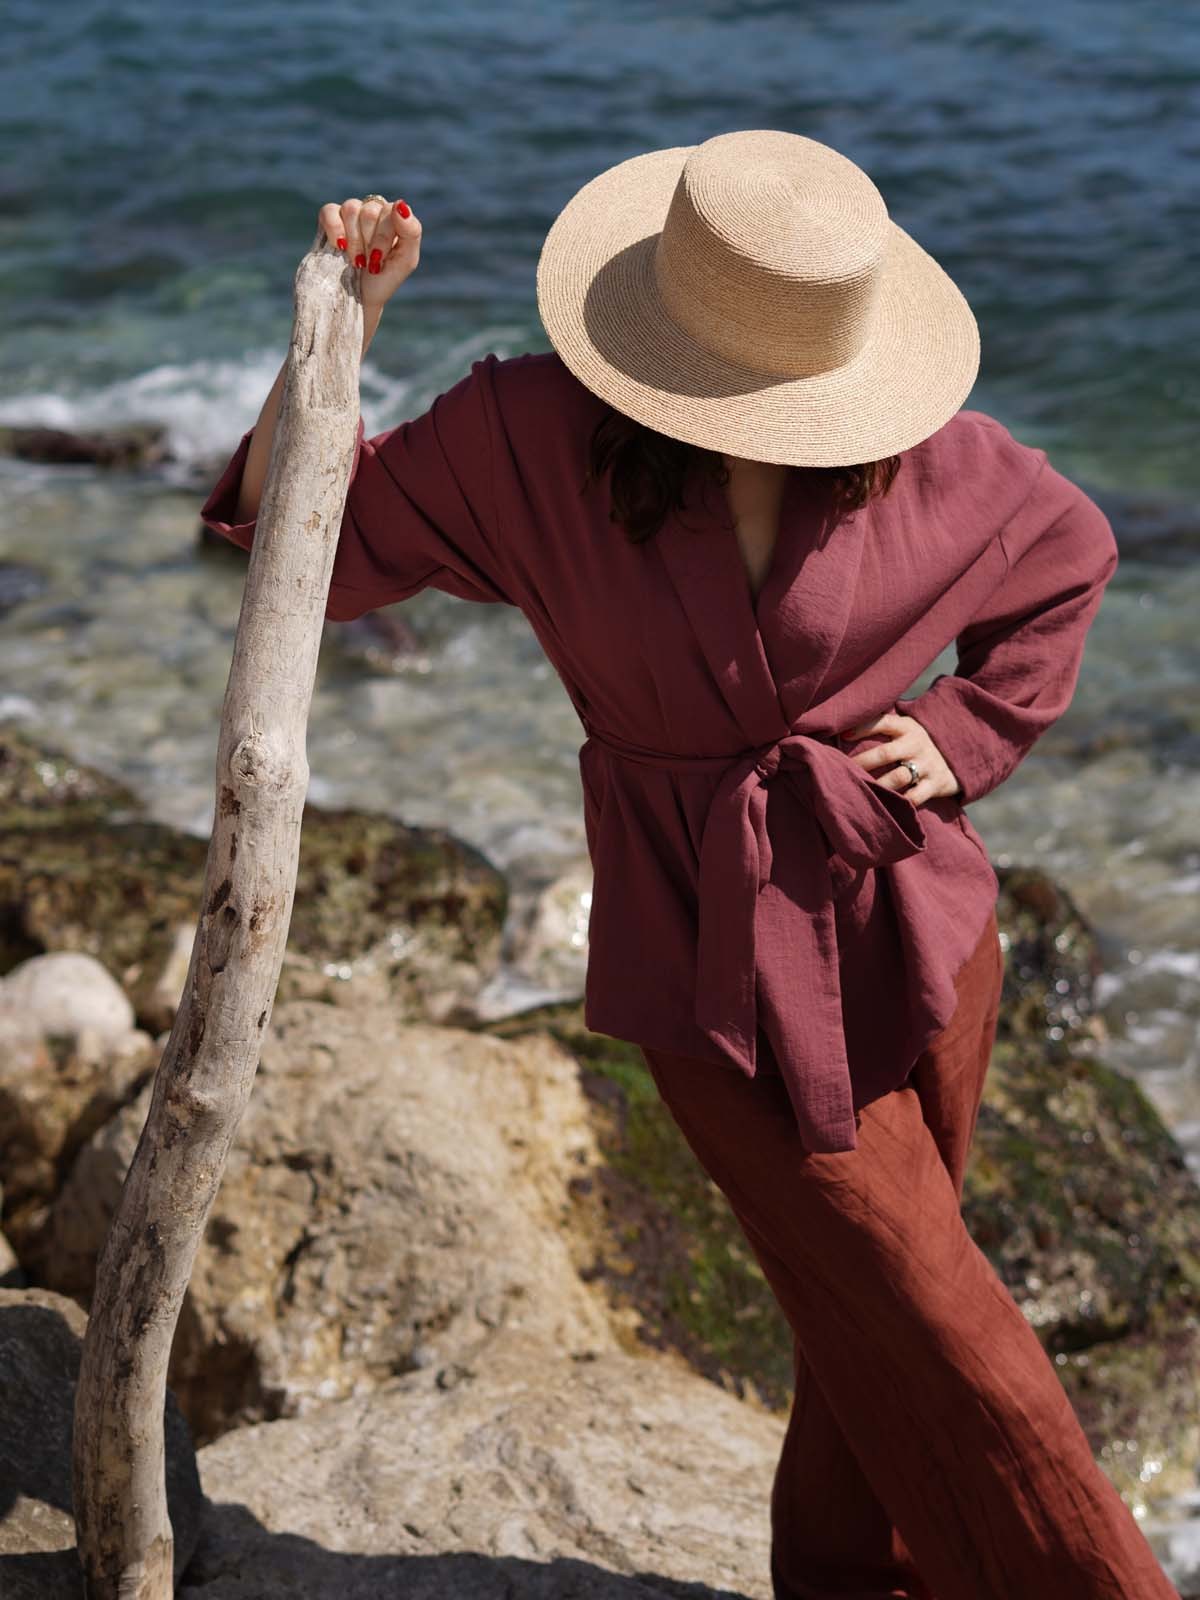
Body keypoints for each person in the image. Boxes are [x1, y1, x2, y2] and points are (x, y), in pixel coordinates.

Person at [199, 132, 1177, 1600]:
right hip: (706, 957)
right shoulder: (528, 435)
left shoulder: (925, 457)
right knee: (952, 1335)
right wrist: (345, 322)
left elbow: (1071, 551)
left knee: (867, 1331)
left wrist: (963, 732)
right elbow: (301, 541)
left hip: (915, 930)